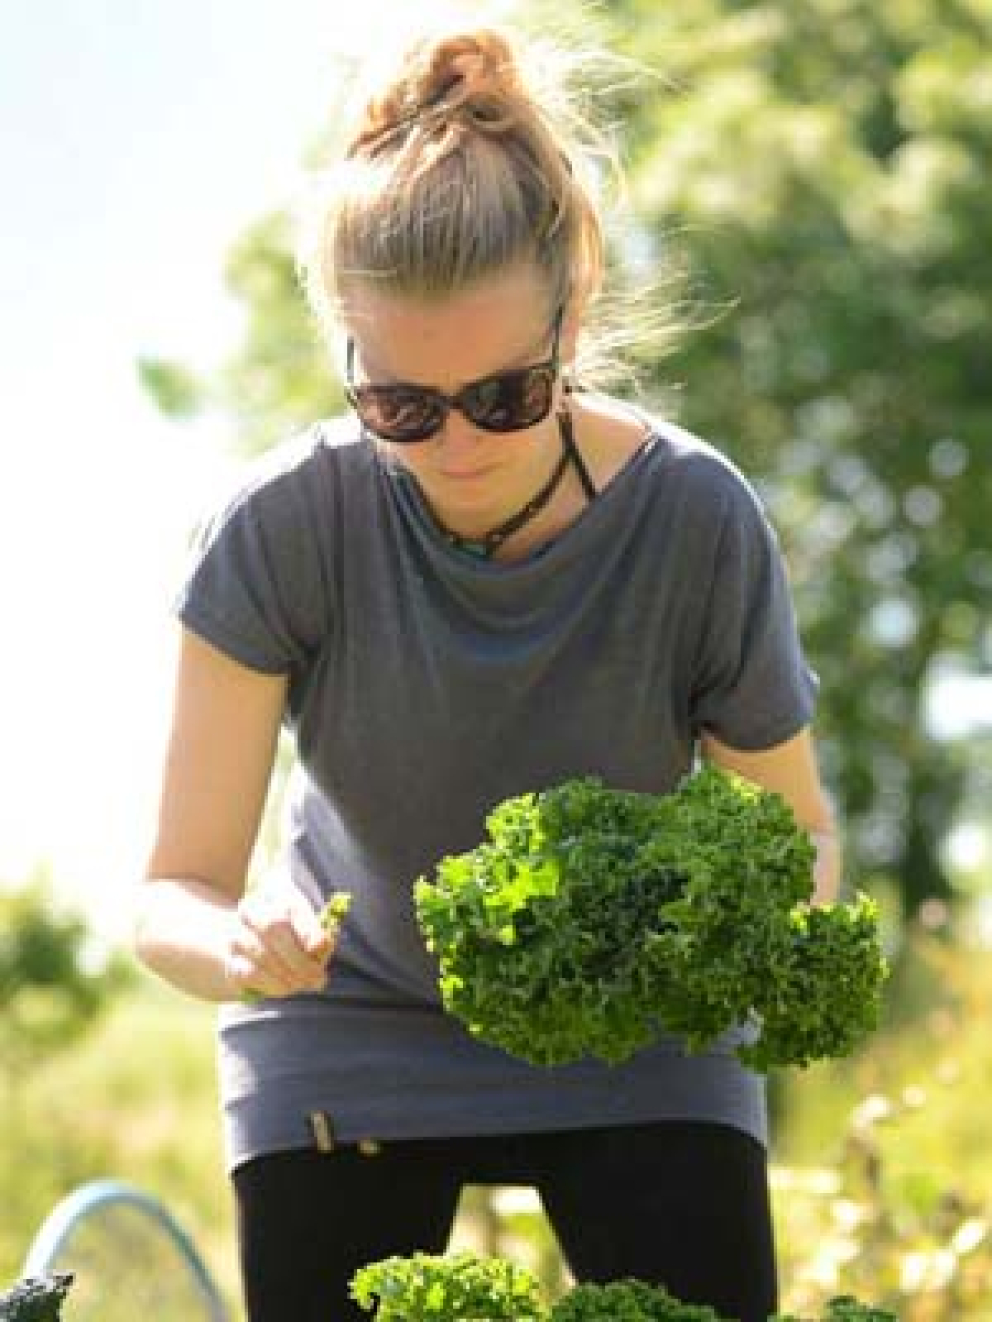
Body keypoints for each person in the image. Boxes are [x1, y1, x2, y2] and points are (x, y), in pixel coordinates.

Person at [133, 18, 840, 1322]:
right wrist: (241, 941)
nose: (456, 443)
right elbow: (172, 888)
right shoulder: (284, 526)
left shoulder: (693, 517)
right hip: (354, 1026)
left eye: (505, 397)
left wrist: (745, 938)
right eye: (401, 405)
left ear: (572, 308)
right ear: (346, 353)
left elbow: (797, 839)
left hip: (646, 1043)